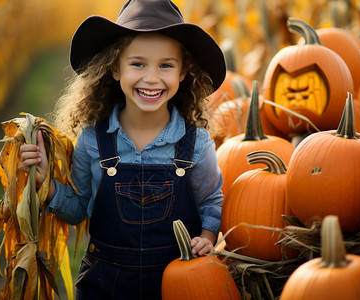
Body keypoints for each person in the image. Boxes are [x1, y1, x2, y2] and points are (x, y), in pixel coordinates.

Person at [19, 0, 226, 299]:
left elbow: (210, 201)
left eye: (166, 65)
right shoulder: (94, 140)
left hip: (177, 282)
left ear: (183, 73)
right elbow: (79, 208)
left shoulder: (196, 145)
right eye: (138, 63)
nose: (152, 78)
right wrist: (47, 186)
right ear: (115, 68)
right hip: (105, 284)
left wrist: (207, 237)